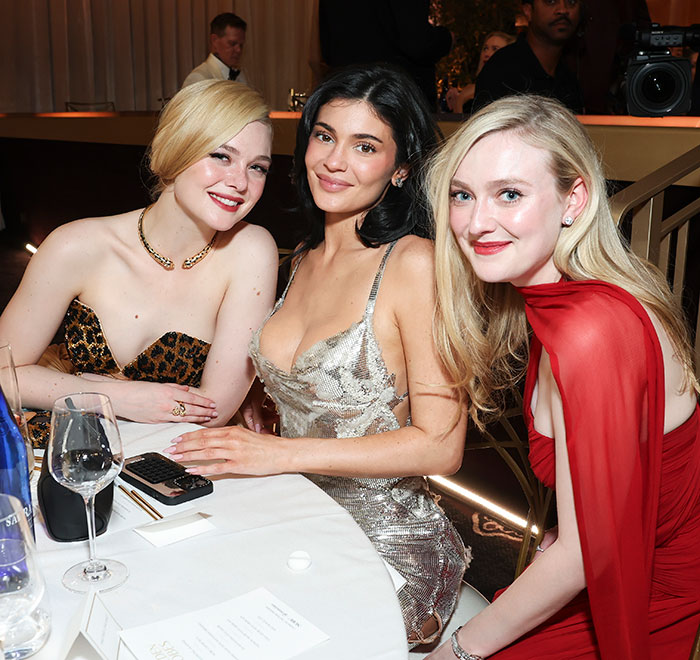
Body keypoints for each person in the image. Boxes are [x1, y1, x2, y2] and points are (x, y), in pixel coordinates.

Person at [164, 64, 469, 646]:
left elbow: (441, 445)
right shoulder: (301, 257)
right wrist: (265, 393)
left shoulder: (414, 264)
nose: (334, 160)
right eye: (325, 136)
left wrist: (276, 453)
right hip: (297, 508)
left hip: (388, 544)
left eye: (365, 146)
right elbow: (309, 379)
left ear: (401, 167)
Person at [425, 95, 700, 658]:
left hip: (646, 586)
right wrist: (579, 517)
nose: (477, 222)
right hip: (622, 554)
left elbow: (587, 554)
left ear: (573, 199)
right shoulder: (570, 299)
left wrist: (457, 652)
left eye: (510, 194)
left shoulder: (590, 329)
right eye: (462, 195)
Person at [0, 80, 278, 447]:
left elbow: (214, 410)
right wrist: (115, 398)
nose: (240, 182)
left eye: (257, 167)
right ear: (177, 150)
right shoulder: (77, 246)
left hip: (174, 454)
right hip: (67, 449)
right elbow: (4, 372)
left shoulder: (251, 251)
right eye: (221, 156)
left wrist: (77, 390)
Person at [318, 0, 453, 110]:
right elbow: (417, 43)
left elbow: (328, 48)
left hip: (345, 89)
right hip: (396, 96)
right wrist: (447, 39)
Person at [473, 0, 584, 113]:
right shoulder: (502, 70)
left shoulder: (569, 80)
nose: (563, 10)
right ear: (528, 11)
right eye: (551, 1)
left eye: (571, 2)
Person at [445, 32, 515, 114]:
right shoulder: (470, 88)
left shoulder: (509, 94)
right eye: (485, 48)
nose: (487, 54)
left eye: (495, 49)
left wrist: (460, 100)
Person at [182, 13, 250, 87]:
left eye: (241, 45)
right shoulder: (198, 78)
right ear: (214, 40)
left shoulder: (240, 76)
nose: (239, 50)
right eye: (232, 44)